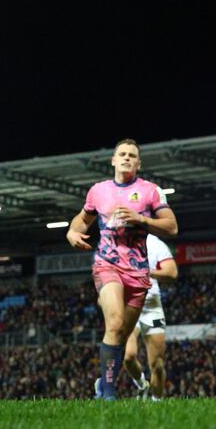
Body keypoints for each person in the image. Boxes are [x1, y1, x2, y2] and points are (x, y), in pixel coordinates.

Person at [65, 139, 178, 400]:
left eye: (132, 155)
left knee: (120, 334)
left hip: (138, 273)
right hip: (107, 264)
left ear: (138, 163)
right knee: (114, 322)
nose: (127, 158)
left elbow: (171, 227)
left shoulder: (151, 191)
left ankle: (103, 385)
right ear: (113, 160)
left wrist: (141, 219)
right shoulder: (98, 191)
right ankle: (108, 393)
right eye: (122, 154)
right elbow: (83, 219)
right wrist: (72, 232)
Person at [123, 233, 178, 401]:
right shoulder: (115, 243)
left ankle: (157, 404)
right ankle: (142, 385)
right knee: (128, 357)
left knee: (157, 365)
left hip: (151, 306)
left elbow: (172, 272)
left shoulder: (155, 243)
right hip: (128, 305)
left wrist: (147, 272)